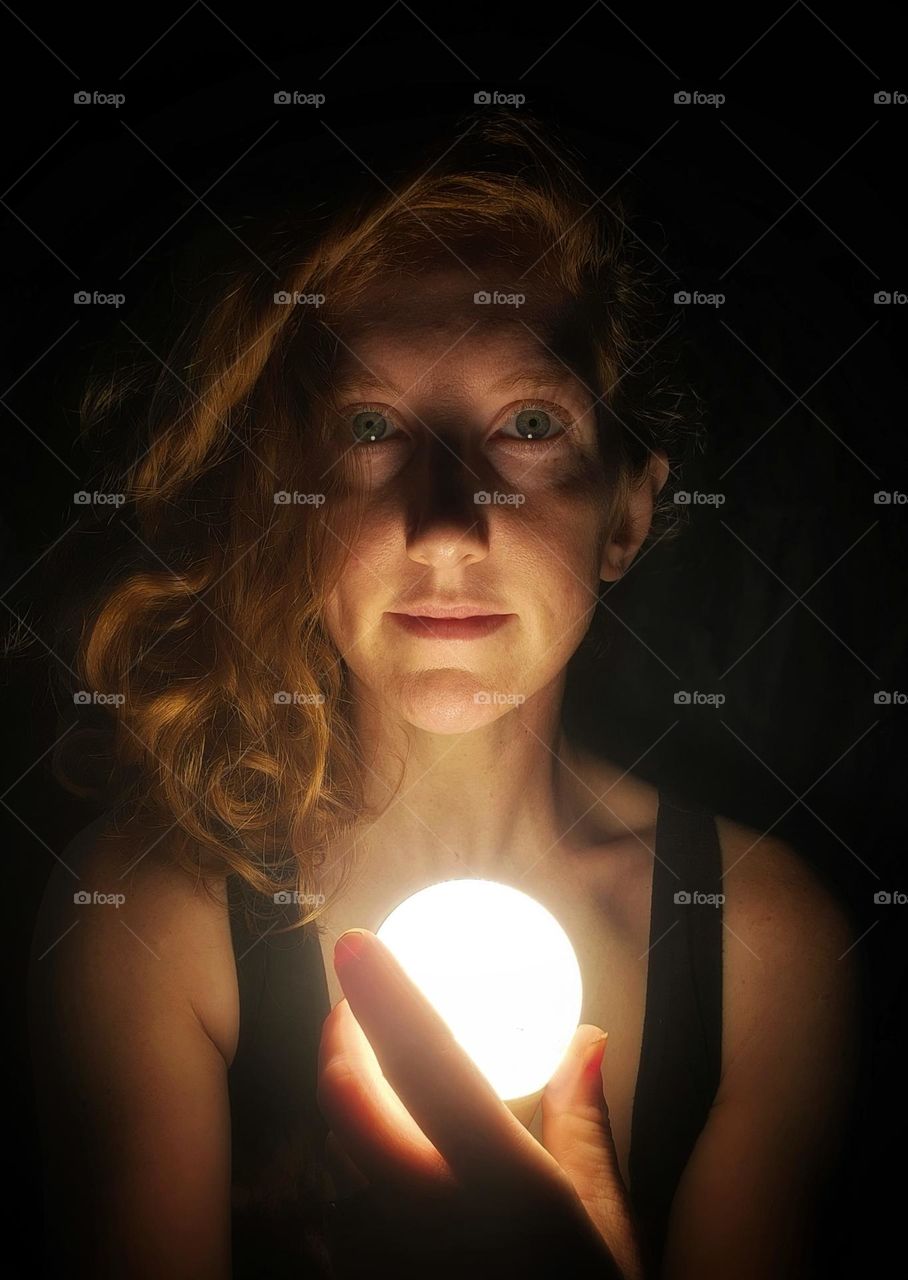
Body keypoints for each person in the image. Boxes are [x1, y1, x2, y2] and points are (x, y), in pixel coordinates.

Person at [27, 109, 860, 1279]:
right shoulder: (150, 922)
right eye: (370, 428)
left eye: (527, 424)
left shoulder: (764, 954)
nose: (444, 526)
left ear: (625, 509)